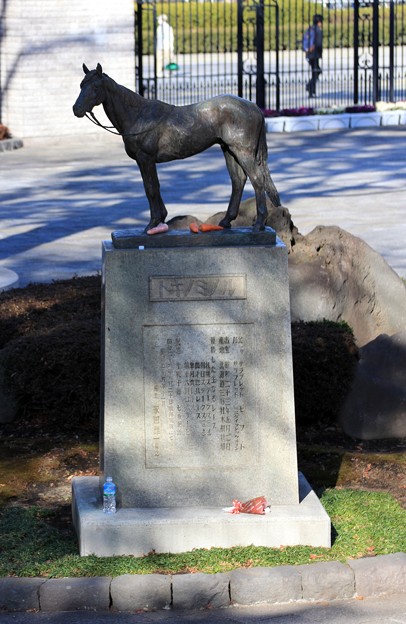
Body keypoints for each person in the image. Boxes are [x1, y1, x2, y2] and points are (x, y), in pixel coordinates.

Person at [303, 14, 323, 98]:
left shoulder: (310, 28)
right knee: (317, 71)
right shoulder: (318, 30)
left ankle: (312, 90)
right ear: (319, 22)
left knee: (315, 71)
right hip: (315, 54)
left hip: (309, 54)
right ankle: (310, 87)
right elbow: (318, 43)